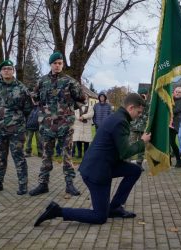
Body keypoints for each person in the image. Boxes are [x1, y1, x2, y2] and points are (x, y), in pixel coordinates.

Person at [33, 93, 151, 226]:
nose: (139, 115)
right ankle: (57, 211)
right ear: (131, 108)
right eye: (139, 112)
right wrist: (142, 142)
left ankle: (115, 208)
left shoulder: (118, 117)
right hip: (97, 172)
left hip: (105, 165)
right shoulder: (120, 121)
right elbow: (125, 153)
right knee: (100, 217)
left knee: (134, 170)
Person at [29, 51, 86, 196]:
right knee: (46, 156)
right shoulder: (42, 81)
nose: (57, 66)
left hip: (65, 125)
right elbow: (34, 98)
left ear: (63, 65)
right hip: (47, 125)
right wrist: (44, 112)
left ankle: (69, 184)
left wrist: (68, 111)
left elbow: (81, 98)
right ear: (50, 64)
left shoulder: (70, 81)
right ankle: (43, 184)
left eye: (60, 63)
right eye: (55, 63)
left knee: (67, 155)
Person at [0, 60, 33, 195]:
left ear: (13, 71)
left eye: (9, 68)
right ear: (0, 71)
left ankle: (23, 185)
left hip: (16, 130)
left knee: (19, 156)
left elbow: (28, 108)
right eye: (4, 68)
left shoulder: (22, 88)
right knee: (0, 157)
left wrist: (18, 121)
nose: (7, 70)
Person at [129, 88, 150, 166]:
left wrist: (144, 101)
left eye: (144, 95)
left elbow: (149, 115)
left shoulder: (148, 105)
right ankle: (128, 162)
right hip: (133, 127)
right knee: (131, 144)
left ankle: (139, 163)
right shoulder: (133, 104)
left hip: (143, 128)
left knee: (141, 146)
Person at [169, 87, 181, 168]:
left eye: (179, 92)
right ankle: (168, 160)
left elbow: (174, 110)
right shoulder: (170, 99)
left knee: (172, 142)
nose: (178, 93)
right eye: (176, 92)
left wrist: (168, 106)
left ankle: (178, 160)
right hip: (166, 124)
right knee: (167, 143)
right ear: (174, 92)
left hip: (174, 125)